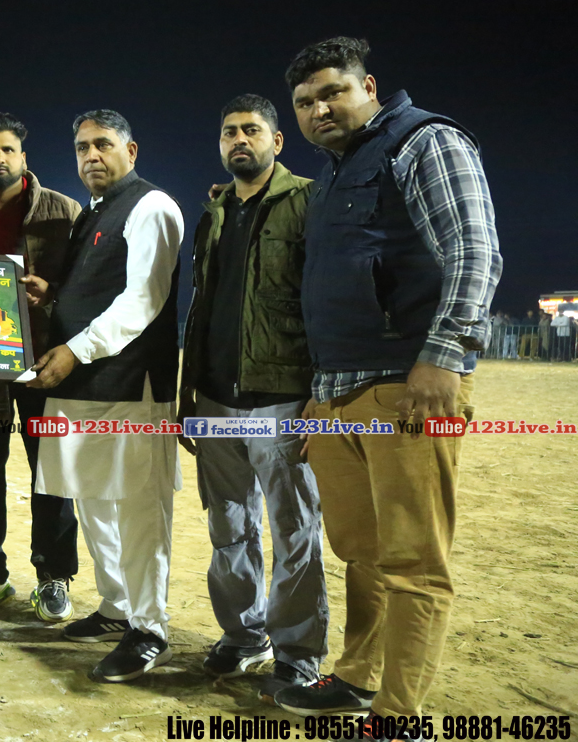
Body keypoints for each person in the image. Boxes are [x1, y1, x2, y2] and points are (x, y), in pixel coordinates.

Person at [273, 37, 502, 727]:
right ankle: (357, 678)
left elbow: (474, 249)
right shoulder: (335, 173)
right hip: (339, 392)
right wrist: (319, 395)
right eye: (305, 103)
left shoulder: (423, 141)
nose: (319, 110)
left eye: (332, 93)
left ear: (368, 87)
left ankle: (400, 716)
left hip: (408, 386)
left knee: (413, 561)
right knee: (361, 553)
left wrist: (444, 356)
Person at [177, 94, 328, 702]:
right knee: (228, 528)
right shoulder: (213, 214)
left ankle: (297, 654)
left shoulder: (310, 201)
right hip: (214, 398)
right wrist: (188, 393)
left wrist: (321, 394)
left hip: (282, 398)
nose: (240, 139)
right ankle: (243, 635)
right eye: (230, 132)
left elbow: (324, 299)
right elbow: (202, 307)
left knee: (295, 532)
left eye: (252, 130)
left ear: (277, 141)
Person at [27, 110, 184, 683]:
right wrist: (52, 295)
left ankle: (149, 628)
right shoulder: (92, 213)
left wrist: (74, 349)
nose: (91, 155)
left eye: (103, 144)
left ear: (131, 151)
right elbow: (96, 289)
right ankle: (117, 605)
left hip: (131, 386)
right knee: (91, 498)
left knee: (139, 508)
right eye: (82, 147)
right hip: (82, 386)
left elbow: (143, 299)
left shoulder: (152, 206)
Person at [0, 112, 82, 622]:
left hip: (47, 366)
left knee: (53, 474)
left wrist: (53, 296)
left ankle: (54, 576)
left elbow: (86, 284)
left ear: (24, 157)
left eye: (7, 150)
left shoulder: (64, 211)